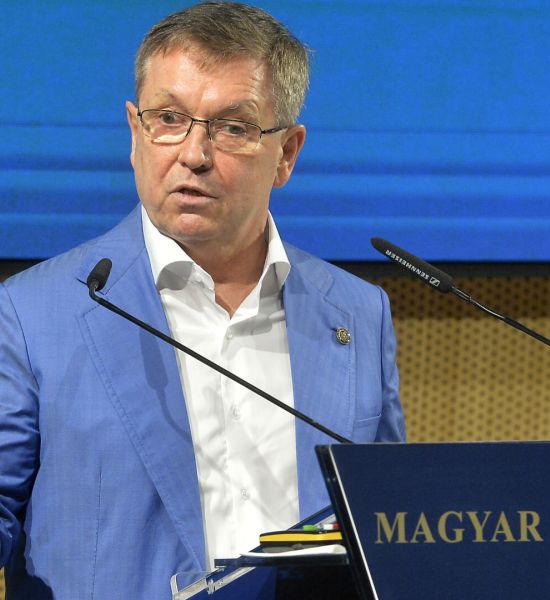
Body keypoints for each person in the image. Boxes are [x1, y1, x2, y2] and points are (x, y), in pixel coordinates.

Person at [0, 2, 405, 598]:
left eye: (233, 127)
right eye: (169, 118)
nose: (193, 154)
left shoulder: (358, 313)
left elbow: (389, 524)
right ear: (135, 133)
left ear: (287, 154)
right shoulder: (31, 314)